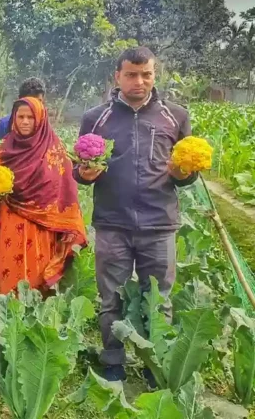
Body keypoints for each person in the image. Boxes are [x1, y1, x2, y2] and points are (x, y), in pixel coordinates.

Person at [74, 46, 198, 384]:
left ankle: (153, 359)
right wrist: (83, 173)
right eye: (131, 74)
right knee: (110, 295)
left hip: (159, 223)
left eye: (146, 74)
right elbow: (80, 169)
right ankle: (113, 356)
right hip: (112, 221)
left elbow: (189, 174)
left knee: (158, 297)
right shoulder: (96, 117)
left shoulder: (175, 116)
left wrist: (183, 172)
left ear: (155, 75)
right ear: (117, 76)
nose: (139, 81)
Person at [0, 97, 87, 295]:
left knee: (37, 276)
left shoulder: (55, 152)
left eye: (30, 117)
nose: (24, 121)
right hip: (9, 223)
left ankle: (36, 321)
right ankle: (7, 318)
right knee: (8, 272)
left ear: (40, 119)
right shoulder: (2, 152)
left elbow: (66, 192)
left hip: (41, 227)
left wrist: (66, 225)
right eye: (20, 116)